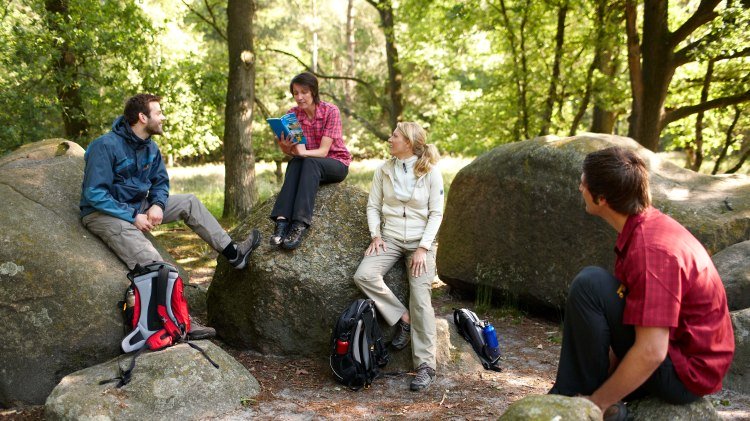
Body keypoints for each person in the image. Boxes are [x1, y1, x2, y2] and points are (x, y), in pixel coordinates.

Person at [549, 147, 735, 419]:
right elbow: (629, 323)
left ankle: (574, 403)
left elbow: (652, 351)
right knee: (596, 285)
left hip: (685, 375)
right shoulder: (644, 227)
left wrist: (596, 403)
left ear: (601, 198)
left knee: (590, 286)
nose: (580, 187)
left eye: (583, 182)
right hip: (679, 355)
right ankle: (576, 396)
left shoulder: (652, 252)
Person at [80, 93, 261, 339]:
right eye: (158, 112)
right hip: (104, 214)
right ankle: (181, 320)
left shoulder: (150, 148)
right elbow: (94, 193)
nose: (163, 117)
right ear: (143, 117)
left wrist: (156, 204)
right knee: (154, 261)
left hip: (138, 207)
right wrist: (133, 216)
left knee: (189, 202)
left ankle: (234, 254)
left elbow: (161, 183)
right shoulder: (105, 145)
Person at [353, 122, 443, 392]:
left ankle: (426, 366)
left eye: (395, 135)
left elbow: (436, 213)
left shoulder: (430, 172)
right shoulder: (384, 170)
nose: (390, 139)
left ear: (408, 142)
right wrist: (376, 235)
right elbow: (373, 205)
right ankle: (403, 318)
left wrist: (423, 248)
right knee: (364, 274)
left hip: (420, 242)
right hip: (390, 238)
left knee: (421, 298)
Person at [270, 72, 352, 250]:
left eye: (304, 92)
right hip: (309, 164)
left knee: (307, 161)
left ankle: (299, 223)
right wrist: (285, 147)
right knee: (296, 162)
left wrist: (302, 153)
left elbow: (323, 152)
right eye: (295, 93)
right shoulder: (292, 115)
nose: (299, 97)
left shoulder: (331, 111)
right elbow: (294, 153)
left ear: (313, 91)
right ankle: (282, 221)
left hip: (336, 162)